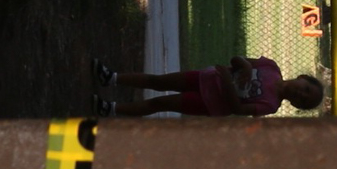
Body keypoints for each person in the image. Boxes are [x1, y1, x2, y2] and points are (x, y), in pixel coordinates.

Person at [93, 58, 323, 118]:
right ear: (302, 78)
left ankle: (111, 109)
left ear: (296, 105)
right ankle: (111, 78)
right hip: (205, 78)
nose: (300, 94)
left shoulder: (270, 105)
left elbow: (238, 109)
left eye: (303, 101)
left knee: (160, 103)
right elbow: (237, 60)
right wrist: (244, 65)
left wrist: (228, 84)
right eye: (305, 89)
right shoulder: (271, 67)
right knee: (158, 81)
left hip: (208, 103)